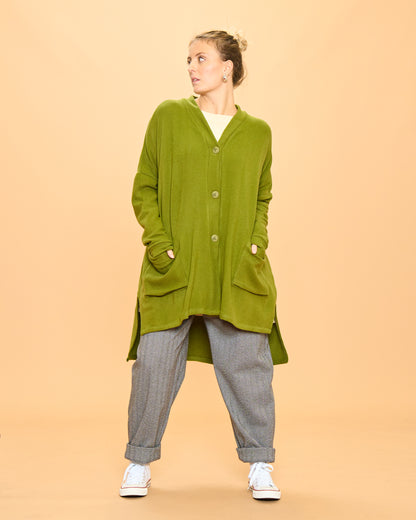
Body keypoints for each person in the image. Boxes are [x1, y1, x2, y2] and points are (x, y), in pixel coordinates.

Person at [119, 29, 288, 501]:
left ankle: (260, 463)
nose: (192, 68)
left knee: (248, 368)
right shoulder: (169, 117)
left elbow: (262, 196)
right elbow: (144, 188)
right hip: (174, 270)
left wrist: (255, 243)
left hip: (236, 272)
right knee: (153, 366)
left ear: (227, 67)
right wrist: (159, 246)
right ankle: (138, 461)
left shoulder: (257, 132)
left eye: (201, 58)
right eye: (189, 60)